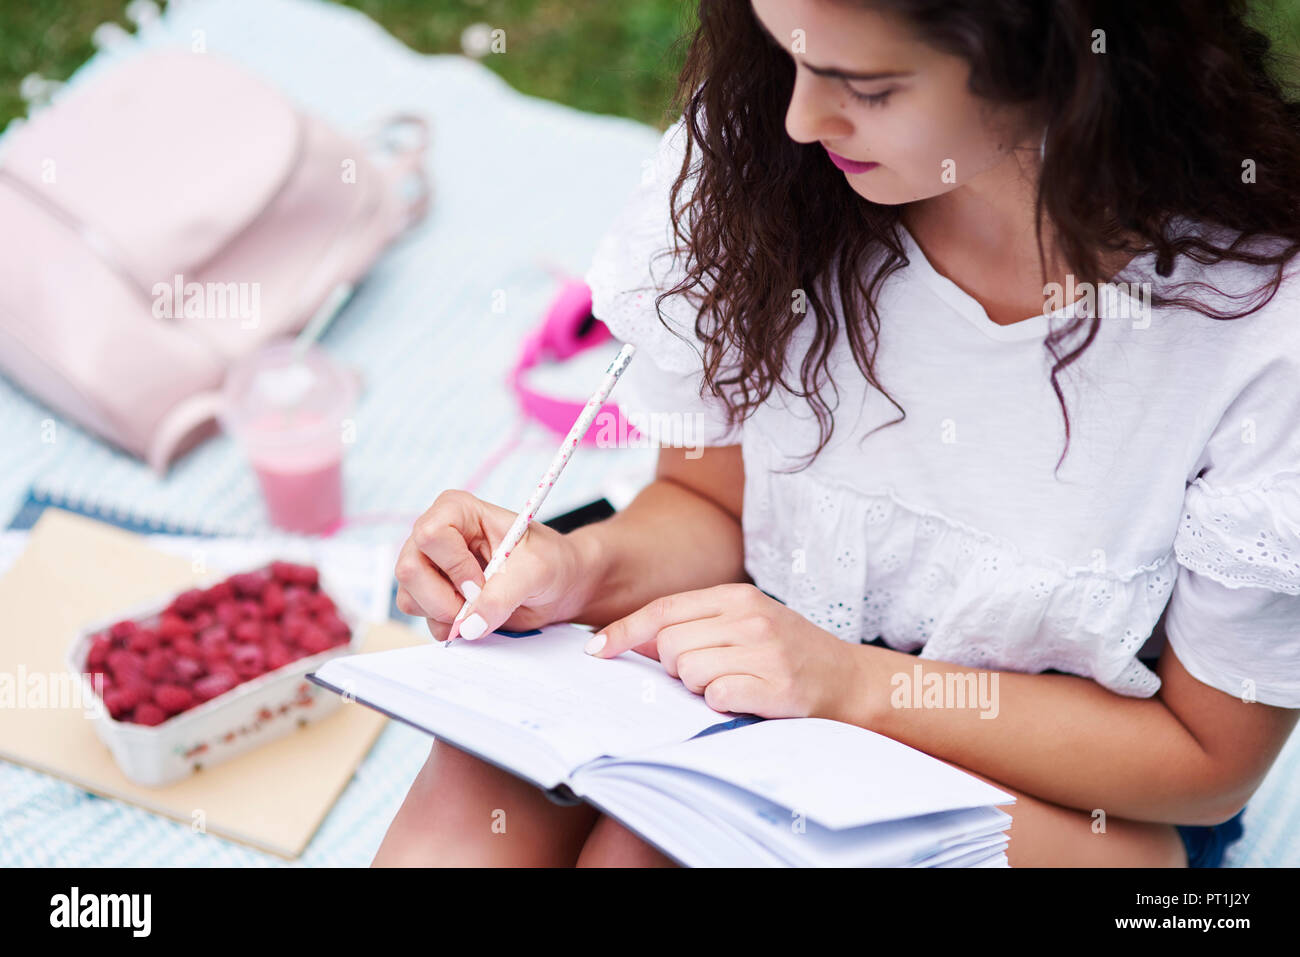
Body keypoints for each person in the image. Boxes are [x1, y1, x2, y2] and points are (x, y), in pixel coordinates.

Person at [377, 0, 1300, 867]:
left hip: (1078, 794)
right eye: (784, 53)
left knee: (645, 846)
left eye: (867, 87)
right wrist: (581, 569)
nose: (799, 119)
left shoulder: (1257, 335)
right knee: (482, 780)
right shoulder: (763, 169)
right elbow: (709, 503)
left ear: (1061, 57)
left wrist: (852, 687)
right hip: (771, 679)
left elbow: (1206, 764)